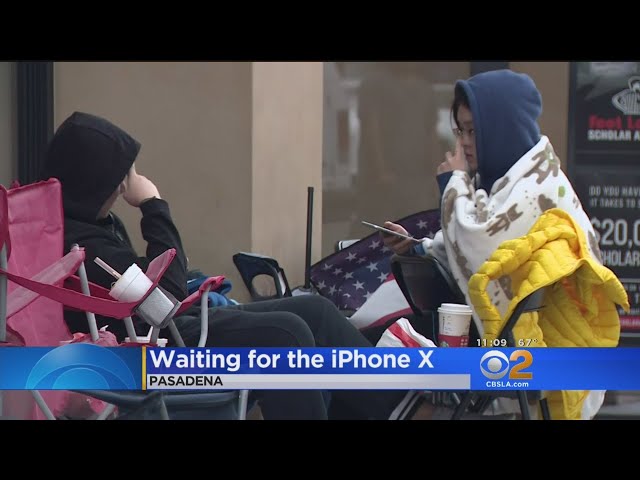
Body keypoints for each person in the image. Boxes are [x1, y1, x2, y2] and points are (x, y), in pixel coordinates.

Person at [40, 110, 460, 421]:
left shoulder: (87, 222)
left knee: (312, 309)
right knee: (286, 333)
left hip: (155, 331)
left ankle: (394, 407)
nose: (125, 184)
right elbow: (163, 300)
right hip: (151, 352)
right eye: (120, 175)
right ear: (94, 180)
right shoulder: (82, 242)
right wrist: (154, 207)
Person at [381, 69, 616, 420]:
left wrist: (452, 183)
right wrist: (419, 248)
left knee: (386, 350)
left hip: (543, 363)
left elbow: (481, 245)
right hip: (526, 356)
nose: (464, 143)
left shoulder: (539, 186)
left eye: (474, 131)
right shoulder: (512, 179)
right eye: (460, 130)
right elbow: (480, 244)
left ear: (502, 127)